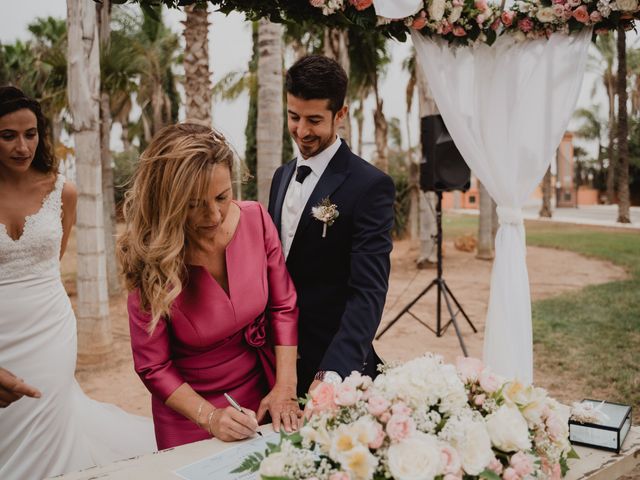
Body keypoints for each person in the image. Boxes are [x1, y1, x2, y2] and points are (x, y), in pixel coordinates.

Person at [0, 86, 155, 480]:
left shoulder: (61, 191)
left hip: (50, 329)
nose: (22, 146)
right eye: (8, 135)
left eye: (30, 134)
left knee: (45, 419)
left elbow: (52, 258)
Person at [119, 123, 300, 450]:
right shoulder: (149, 256)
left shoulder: (256, 219)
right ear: (168, 201)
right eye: (193, 204)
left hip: (262, 395)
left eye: (222, 197)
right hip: (189, 415)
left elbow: (284, 307)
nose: (214, 215)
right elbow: (153, 365)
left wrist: (285, 388)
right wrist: (209, 416)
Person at [268, 55, 395, 396]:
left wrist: (334, 372)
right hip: (280, 362)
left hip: (335, 363)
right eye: (293, 117)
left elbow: (368, 293)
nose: (302, 131)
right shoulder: (281, 177)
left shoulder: (370, 186)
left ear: (340, 114)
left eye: (314, 120)